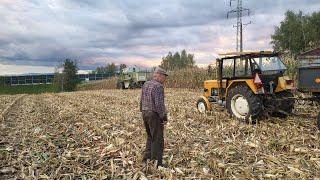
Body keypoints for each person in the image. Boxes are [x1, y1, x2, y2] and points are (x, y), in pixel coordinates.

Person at [140, 67, 168, 167]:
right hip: (153, 115)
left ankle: (147, 158)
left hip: (144, 112)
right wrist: (164, 118)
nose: (165, 79)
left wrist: (142, 110)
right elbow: (159, 105)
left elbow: (141, 99)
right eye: (164, 77)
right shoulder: (159, 86)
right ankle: (157, 163)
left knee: (150, 136)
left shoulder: (146, 84)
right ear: (159, 75)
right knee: (157, 139)